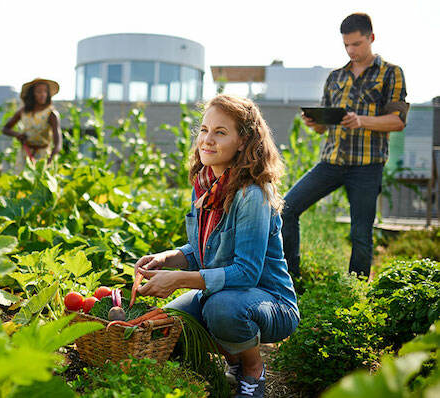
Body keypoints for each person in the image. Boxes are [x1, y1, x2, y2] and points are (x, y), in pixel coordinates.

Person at [134, 94, 299, 398]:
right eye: (204, 130)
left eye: (220, 132)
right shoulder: (206, 184)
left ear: (243, 141)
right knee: (169, 326)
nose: (207, 140)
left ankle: (252, 370)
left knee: (221, 309)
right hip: (220, 294)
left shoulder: (252, 194)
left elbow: (246, 273)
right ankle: (233, 356)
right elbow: (201, 252)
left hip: (270, 302)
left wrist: (179, 280)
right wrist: (165, 259)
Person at [281, 13, 408, 279]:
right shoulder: (335, 77)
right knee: (286, 208)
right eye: (347, 45)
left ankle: (356, 290)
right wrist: (315, 122)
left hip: (366, 166)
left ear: (371, 38)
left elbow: (397, 121)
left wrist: (361, 120)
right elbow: (325, 126)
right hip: (331, 162)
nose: (351, 50)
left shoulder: (391, 73)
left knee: (361, 234)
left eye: (357, 44)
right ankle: (290, 279)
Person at [2, 78, 62, 168]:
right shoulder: (23, 112)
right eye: (39, 92)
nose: (43, 95)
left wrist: (51, 157)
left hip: (43, 155)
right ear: (32, 94)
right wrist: (18, 135)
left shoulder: (51, 114)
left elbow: (58, 144)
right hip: (25, 153)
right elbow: (5, 129)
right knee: (21, 179)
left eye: (45, 91)